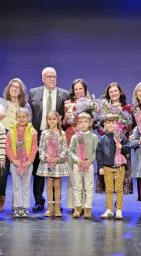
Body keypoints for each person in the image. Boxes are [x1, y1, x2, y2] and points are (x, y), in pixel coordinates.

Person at [29, 67, 70, 212]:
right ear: (43, 78)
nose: (52, 79)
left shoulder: (65, 94)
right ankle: (39, 201)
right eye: (49, 76)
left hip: (57, 136)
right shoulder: (33, 93)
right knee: (38, 170)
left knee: (56, 172)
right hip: (39, 134)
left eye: (54, 76)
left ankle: (56, 202)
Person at [0, 78, 32, 212]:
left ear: (21, 90)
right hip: (5, 142)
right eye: (12, 86)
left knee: (19, 174)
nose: (14, 89)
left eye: (17, 87)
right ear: (8, 89)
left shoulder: (26, 106)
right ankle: (0, 199)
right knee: (3, 172)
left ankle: (17, 202)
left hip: (21, 144)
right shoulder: (2, 105)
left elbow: (30, 123)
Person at [96, 82, 134, 196]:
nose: (113, 93)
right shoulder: (103, 108)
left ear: (120, 92)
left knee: (121, 174)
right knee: (108, 174)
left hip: (121, 144)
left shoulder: (127, 107)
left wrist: (119, 133)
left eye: (115, 91)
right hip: (107, 144)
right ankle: (108, 205)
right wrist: (105, 132)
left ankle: (119, 206)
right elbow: (98, 124)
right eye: (110, 91)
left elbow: (129, 124)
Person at [63, 78, 91, 211]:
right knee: (73, 175)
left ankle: (86, 205)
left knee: (86, 174)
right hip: (71, 139)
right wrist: (68, 118)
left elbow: (94, 123)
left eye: (81, 88)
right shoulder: (68, 103)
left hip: (86, 141)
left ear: (85, 90)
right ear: (73, 91)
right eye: (76, 89)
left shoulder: (91, 103)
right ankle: (75, 205)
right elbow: (63, 123)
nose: (79, 91)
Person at [36, 110, 70, 218]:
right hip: (48, 163)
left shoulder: (62, 133)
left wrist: (58, 158)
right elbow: (41, 148)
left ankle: (57, 207)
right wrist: (46, 158)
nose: (52, 121)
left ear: (58, 120)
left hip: (58, 163)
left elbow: (65, 148)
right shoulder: (44, 133)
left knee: (57, 185)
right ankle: (50, 208)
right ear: (47, 120)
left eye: (54, 119)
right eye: (49, 119)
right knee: (49, 185)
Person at [6, 108, 38, 218]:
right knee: (16, 185)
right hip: (15, 163)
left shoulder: (32, 131)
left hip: (27, 163)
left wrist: (29, 161)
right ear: (16, 118)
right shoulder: (11, 131)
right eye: (19, 117)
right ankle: (17, 207)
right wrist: (13, 159)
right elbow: (8, 146)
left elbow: (34, 147)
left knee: (25, 185)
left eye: (23, 117)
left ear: (28, 118)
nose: (21, 119)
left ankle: (25, 207)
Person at [97, 115, 129, 219]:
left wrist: (122, 147)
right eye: (108, 123)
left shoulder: (121, 136)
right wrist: (100, 167)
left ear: (117, 124)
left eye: (113, 123)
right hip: (107, 167)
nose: (110, 125)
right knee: (109, 189)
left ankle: (119, 210)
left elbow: (127, 149)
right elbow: (99, 153)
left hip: (119, 166)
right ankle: (109, 209)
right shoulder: (102, 139)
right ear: (104, 125)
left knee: (119, 189)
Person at [68, 112, 98, 219]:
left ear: (90, 123)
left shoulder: (94, 137)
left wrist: (89, 161)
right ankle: (77, 207)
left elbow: (95, 151)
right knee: (77, 187)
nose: (83, 124)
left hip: (88, 165)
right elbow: (70, 151)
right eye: (80, 122)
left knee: (89, 187)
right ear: (77, 124)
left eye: (85, 122)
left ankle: (88, 208)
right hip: (78, 165)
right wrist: (77, 160)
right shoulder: (75, 137)